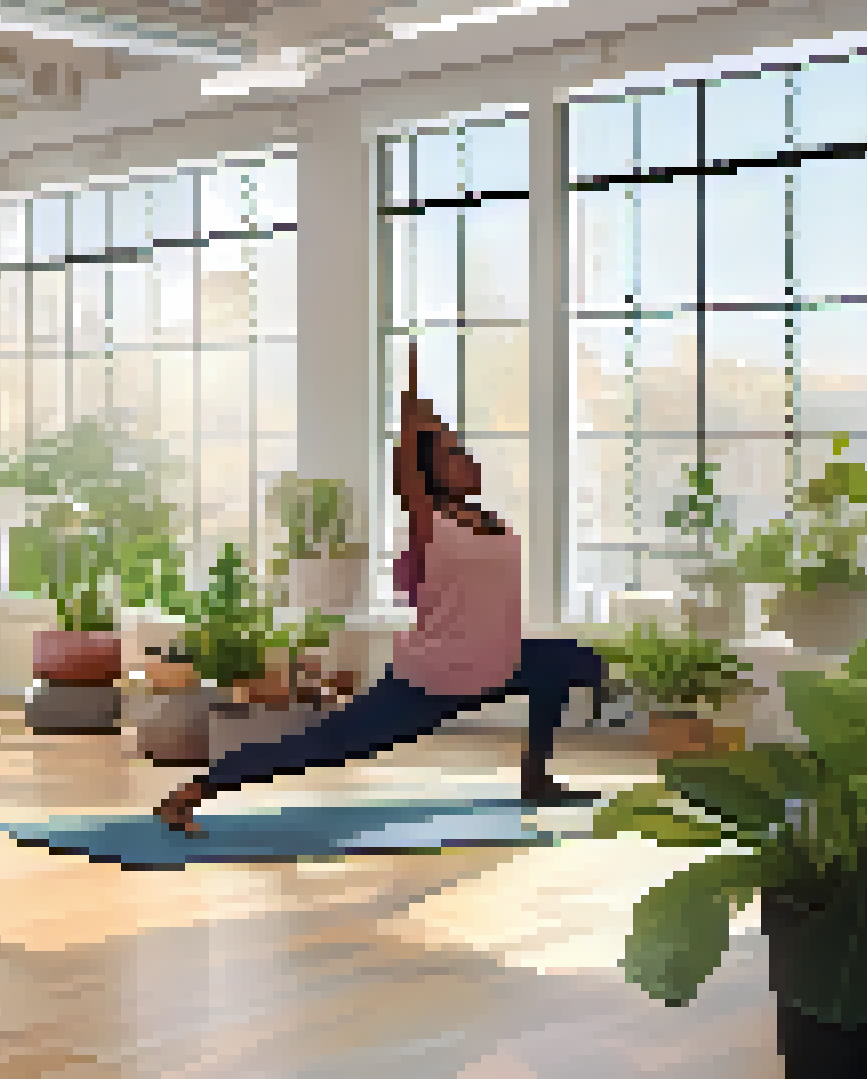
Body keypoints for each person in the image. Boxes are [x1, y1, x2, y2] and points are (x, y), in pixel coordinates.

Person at [152, 345, 607, 837]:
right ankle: (191, 793)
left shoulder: (490, 519)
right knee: (329, 744)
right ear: (432, 473)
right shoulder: (429, 520)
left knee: (570, 661)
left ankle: (535, 779)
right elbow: (409, 456)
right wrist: (411, 393)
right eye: (454, 456)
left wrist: (434, 425)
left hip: (497, 663)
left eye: (464, 451)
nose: (468, 460)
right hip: (439, 675)